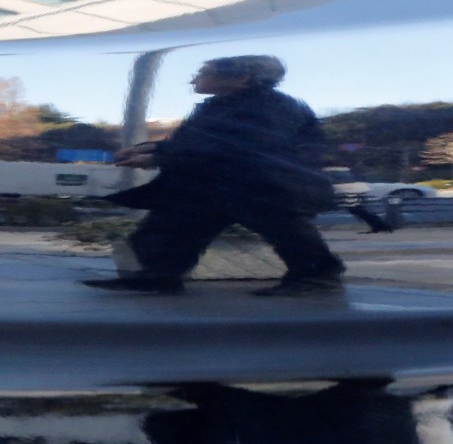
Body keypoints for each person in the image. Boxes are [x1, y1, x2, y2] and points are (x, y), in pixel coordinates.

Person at [86, 55, 345, 296]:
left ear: (241, 79)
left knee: (286, 230)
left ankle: (318, 276)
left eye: (203, 73)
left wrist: (158, 157)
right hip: (220, 185)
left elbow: (242, 149)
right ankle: (158, 276)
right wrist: (152, 148)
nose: (194, 79)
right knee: (172, 225)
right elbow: (200, 144)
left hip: (265, 187)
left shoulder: (271, 108)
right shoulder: (220, 106)